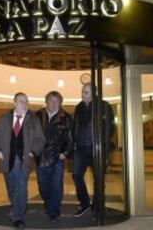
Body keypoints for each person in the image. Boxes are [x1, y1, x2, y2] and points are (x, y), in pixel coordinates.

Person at [0, 92, 45, 228]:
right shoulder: (3, 119)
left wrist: (32, 152)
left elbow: (40, 139)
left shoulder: (33, 120)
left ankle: (17, 217)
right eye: (20, 101)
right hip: (6, 159)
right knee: (11, 187)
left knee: (21, 186)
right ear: (14, 102)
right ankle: (17, 208)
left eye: (26, 101)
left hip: (24, 160)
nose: (23, 104)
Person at [72, 83, 115, 217]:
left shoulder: (103, 106)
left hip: (96, 148)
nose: (82, 95)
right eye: (82, 92)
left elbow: (109, 127)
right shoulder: (79, 107)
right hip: (80, 148)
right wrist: (74, 142)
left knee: (98, 179)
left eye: (85, 92)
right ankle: (85, 204)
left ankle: (97, 207)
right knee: (76, 174)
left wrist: (104, 147)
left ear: (93, 93)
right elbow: (75, 126)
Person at [35, 91, 73, 222]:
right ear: (46, 101)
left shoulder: (66, 117)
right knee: (42, 184)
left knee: (56, 185)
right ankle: (49, 203)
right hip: (40, 156)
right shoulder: (38, 115)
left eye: (57, 101)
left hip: (57, 156)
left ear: (60, 102)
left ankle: (54, 211)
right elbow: (31, 134)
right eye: (51, 100)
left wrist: (65, 153)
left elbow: (71, 139)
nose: (54, 103)